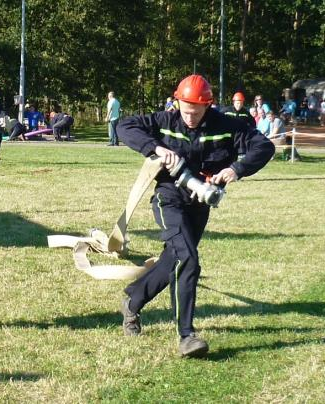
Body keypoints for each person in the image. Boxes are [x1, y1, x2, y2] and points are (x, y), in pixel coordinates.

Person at [117, 74, 274, 358]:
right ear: (177, 101)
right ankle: (186, 335)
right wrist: (156, 147)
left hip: (200, 205)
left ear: (208, 105)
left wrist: (235, 170)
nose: (190, 117)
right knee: (188, 258)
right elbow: (125, 126)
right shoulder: (166, 120)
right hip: (169, 198)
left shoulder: (227, 125)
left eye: (196, 111)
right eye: (185, 110)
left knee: (173, 260)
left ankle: (132, 301)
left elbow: (264, 147)